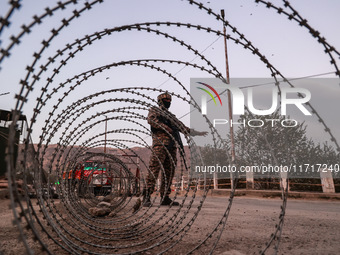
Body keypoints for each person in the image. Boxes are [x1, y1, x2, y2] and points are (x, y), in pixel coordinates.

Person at [143, 92, 207, 207]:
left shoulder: (171, 116)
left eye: (169, 101)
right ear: (160, 102)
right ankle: (147, 196)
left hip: (172, 147)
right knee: (154, 170)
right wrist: (166, 127)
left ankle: (165, 197)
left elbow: (183, 128)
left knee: (169, 171)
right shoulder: (155, 111)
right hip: (160, 146)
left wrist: (198, 133)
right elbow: (151, 120)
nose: (168, 103)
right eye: (165, 101)